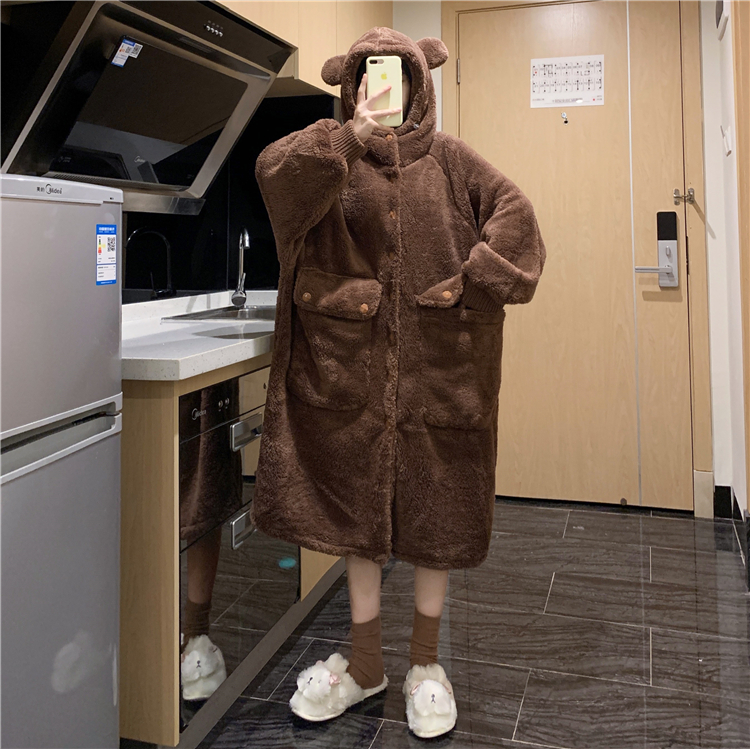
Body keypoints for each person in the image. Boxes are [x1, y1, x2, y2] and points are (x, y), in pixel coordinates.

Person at [250, 27, 546, 738]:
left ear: (420, 83)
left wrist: (475, 285)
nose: (382, 86)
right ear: (349, 83)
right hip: (344, 381)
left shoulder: (452, 161)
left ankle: (424, 664)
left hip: (441, 376)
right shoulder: (331, 156)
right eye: (367, 73)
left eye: (395, 74)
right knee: (358, 516)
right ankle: (364, 664)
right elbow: (273, 175)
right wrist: (348, 136)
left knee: (437, 514)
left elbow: (518, 218)